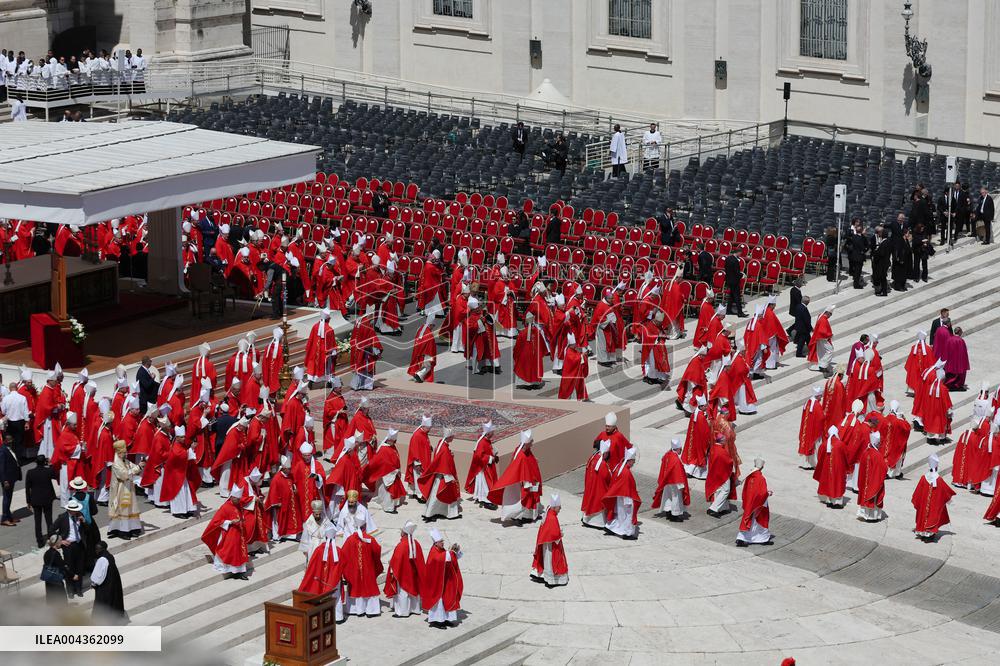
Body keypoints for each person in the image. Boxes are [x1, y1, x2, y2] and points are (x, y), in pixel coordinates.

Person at [488, 430, 543, 523]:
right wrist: (526, 483)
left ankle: (530, 516)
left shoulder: (526, 451)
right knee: (523, 500)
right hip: (524, 482)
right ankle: (519, 517)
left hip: (531, 479)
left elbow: (529, 460)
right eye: (531, 441)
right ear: (526, 443)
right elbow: (519, 469)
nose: (532, 443)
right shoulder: (521, 456)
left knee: (531, 498)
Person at [201, 487, 250, 579]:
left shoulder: (238, 505)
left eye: (239, 499)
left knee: (239, 551)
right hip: (229, 532)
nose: (238, 500)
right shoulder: (225, 507)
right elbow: (217, 521)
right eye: (236, 498)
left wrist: (241, 519)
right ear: (231, 497)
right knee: (229, 550)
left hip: (239, 532)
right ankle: (230, 569)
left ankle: (239, 571)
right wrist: (230, 522)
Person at [421, 528, 463, 627]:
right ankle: (436, 621)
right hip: (436, 583)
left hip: (443, 580)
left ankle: (445, 619)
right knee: (438, 603)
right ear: (435, 543)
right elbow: (439, 559)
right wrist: (451, 552)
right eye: (441, 541)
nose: (442, 543)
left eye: (443, 541)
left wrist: (455, 552)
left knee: (446, 599)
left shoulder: (441, 550)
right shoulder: (433, 552)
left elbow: (447, 558)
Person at [418, 428, 462, 521]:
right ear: (449, 437)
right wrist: (449, 477)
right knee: (441, 495)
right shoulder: (444, 449)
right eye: (452, 436)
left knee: (437, 496)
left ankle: (432, 513)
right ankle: (434, 514)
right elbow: (444, 464)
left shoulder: (441, 444)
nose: (453, 437)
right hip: (444, 476)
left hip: (441, 475)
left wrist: (450, 454)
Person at [340, 525, 383, 617]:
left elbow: (343, 554)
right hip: (368, 570)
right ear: (365, 527)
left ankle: (355, 610)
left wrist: (347, 569)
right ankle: (371, 610)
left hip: (354, 571)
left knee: (356, 587)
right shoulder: (370, 539)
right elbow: (377, 550)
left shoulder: (350, 540)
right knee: (369, 587)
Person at [53, 498, 93, 597]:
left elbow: (88, 530)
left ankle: (78, 589)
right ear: (69, 509)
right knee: (69, 568)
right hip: (68, 546)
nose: (75, 512)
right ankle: (70, 590)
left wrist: (84, 522)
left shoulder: (80, 515)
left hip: (79, 544)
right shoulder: (62, 518)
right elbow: (51, 530)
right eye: (73, 510)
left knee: (80, 568)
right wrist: (61, 541)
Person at [912, 454, 956, 541]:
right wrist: (950, 501)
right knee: (932, 517)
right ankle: (929, 536)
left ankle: (923, 533)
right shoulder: (939, 479)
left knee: (924, 516)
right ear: (936, 467)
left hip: (924, 505)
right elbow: (945, 491)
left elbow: (917, 493)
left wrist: (917, 501)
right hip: (934, 505)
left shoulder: (923, 478)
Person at [384, 520, 423, 617]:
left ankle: (403, 612)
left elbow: (396, 559)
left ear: (403, 533)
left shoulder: (401, 545)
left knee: (403, 592)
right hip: (413, 572)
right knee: (414, 589)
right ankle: (415, 609)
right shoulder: (416, 543)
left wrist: (391, 563)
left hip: (403, 573)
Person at [107, 440, 142, 539]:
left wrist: (139, 467)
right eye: (124, 452)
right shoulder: (116, 462)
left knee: (130, 508)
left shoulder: (123, 459)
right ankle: (122, 531)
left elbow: (132, 466)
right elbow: (124, 474)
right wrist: (138, 467)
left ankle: (133, 528)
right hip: (120, 490)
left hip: (128, 487)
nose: (126, 454)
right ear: (119, 452)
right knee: (122, 509)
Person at [603, 447, 641, 539]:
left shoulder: (620, 466)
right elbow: (626, 488)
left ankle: (611, 528)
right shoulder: (626, 472)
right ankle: (627, 533)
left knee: (619, 515)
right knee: (627, 515)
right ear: (629, 460)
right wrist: (630, 501)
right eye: (633, 460)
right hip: (626, 497)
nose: (634, 462)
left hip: (619, 496)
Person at [531, 494, 569, 587]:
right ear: (555, 507)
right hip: (551, 546)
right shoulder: (552, 518)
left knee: (546, 560)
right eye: (559, 507)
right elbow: (554, 535)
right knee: (551, 562)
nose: (560, 509)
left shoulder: (549, 511)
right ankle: (551, 580)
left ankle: (541, 575)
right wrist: (560, 534)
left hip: (546, 542)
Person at [736, 457, 772, 547]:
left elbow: (746, 490)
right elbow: (762, 493)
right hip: (759, 504)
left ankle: (742, 538)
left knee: (748, 520)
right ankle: (762, 539)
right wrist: (768, 493)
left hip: (750, 502)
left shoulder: (750, 476)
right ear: (762, 467)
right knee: (761, 520)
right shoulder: (761, 478)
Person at [651, 438, 690, 521]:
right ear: (678, 448)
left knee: (667, 496)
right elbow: (677, 472)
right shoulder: (676, 459)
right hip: (674, 481)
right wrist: (681, 485)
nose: (681, 451)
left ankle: (668, 511)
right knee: (676, 497)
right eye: (681, 449)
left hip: (666, 481)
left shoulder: (668, 454)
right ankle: (674, 515)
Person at [24, 455, 57, 547]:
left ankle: (39, 541)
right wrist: (51, 465)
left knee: (37, 521)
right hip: (47, 499)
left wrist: (28, 501)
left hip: (36, 500)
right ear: (44, 462)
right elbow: (55, 475)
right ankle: (51, 537)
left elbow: (27, 488)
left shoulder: (30, 472)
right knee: (49, 520)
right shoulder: (48, 471)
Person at [90, 540, 126, 622]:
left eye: (97, 549)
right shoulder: (110, 556)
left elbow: (99, 575)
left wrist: (94, 583)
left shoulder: (102, 559)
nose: (96, 551)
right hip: (113, 583)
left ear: (101, 549)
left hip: (105, 586)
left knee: (103, 603)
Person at [465, 422, 498, 507]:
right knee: (484, 485)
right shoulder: (482, 442)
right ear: (488, 433)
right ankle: (485, 500)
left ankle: (483, 498)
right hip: (482, 468)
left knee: (485, 485)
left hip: (486, 466)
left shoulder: (486, 440)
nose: (493, 434)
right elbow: (478, 456)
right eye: (492, 432)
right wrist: (490, 458)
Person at [807, 305, 835, 376]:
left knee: (821, 351)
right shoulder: (823, 320)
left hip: (819, 338)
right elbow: (822, 332)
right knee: (830, 351)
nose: (830, 316)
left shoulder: (821, 316)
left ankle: (821, 363)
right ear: (827, 313)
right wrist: (829, 335)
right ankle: (823, 366)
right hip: (822, 338)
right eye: (830, 314)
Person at [42, 534, 68, 604]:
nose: (61, 543)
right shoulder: (56, 554)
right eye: (60, 541)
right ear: (57, 543)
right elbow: (62, 566)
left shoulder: (46, 553)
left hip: (49, 579)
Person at [0, 436, 20, 526]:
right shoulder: (2, 451)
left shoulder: (9, 448)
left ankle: (9, 516)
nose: (11, 442)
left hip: (11, 477)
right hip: (7, 479)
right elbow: (2, 468)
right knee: (7, 498)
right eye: (9, 440)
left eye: (11, 440)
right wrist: (5, 480)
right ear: (5, 441)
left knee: (9, 497)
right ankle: (4, 518)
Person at [846, 220, 867, 289]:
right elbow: (863, 247)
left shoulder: (854, 237)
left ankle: (856, 282)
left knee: (856, 271)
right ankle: (856, 284)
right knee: (858, 272)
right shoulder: (861, 238)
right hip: (859, 257)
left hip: (854, 256)